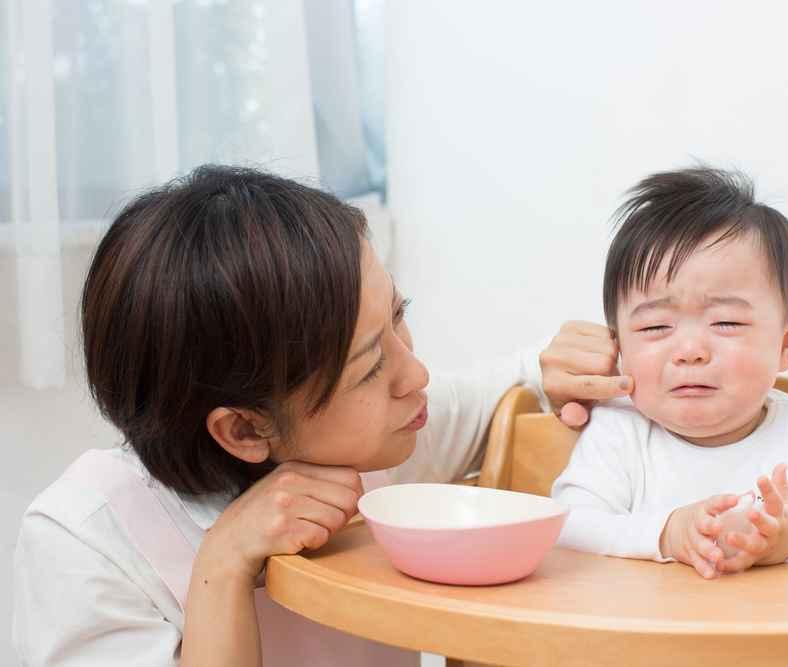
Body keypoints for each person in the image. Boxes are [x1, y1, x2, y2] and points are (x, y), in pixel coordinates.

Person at [12, 165, 627, 666]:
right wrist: (223, 567)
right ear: (245, 429)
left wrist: (553, 367)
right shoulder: (85, 541)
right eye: (367, 369)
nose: (416, 375)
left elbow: (497, 391)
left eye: (398, 315)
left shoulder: (380, 446)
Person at [552, 168, 788, 579]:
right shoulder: (618, 431)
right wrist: (666, 534)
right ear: (619, 348)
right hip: (644, 642)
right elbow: (566, 529)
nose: (690, 351)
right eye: (654, 327)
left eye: (726, 323)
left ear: (787, 341)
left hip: (782, 642)